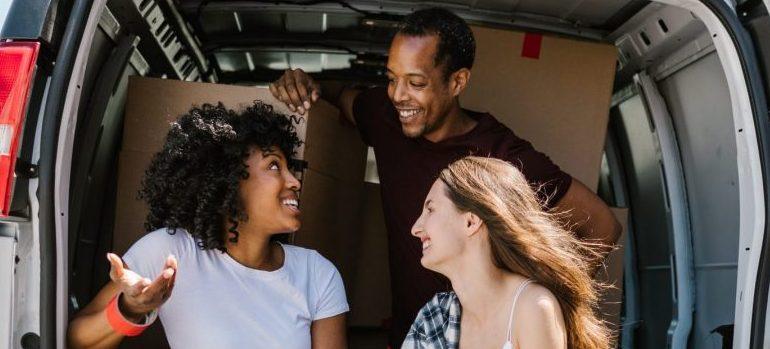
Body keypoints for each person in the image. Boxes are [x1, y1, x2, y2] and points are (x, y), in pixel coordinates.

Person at [269, 7, 621, 346]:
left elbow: (602, 225)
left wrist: (528, 304)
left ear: (457, 81)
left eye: (416, 82)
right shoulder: (385, 117)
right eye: (392, 79)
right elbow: (337, 94)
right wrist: (301, 82)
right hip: (412, 334)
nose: (398, 95)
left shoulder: (501, 156)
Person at [67, 102, 348, 349]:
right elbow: (77, 340)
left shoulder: (318, 274)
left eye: (290, 168)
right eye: (275, 166)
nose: (294, 181)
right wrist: (130, 308)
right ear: (229, 181)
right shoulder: (171, 252)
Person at [404, 156, 610, 349]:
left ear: (470, 222)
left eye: (430, 209)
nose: (415, 228)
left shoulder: (533, 306)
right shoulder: (435, 314)